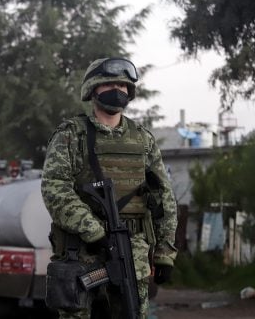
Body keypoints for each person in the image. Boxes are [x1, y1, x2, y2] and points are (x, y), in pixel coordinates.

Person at [41, 57, 178, 318]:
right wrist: (93, 231)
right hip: (81, 252)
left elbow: (164, 198)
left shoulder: (143, 139)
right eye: (110, 84)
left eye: (123, 85)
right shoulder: (71, 134)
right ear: (94, 89)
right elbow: (54, 188)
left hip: (132, 255)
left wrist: (164, 252)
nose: (118, 90)